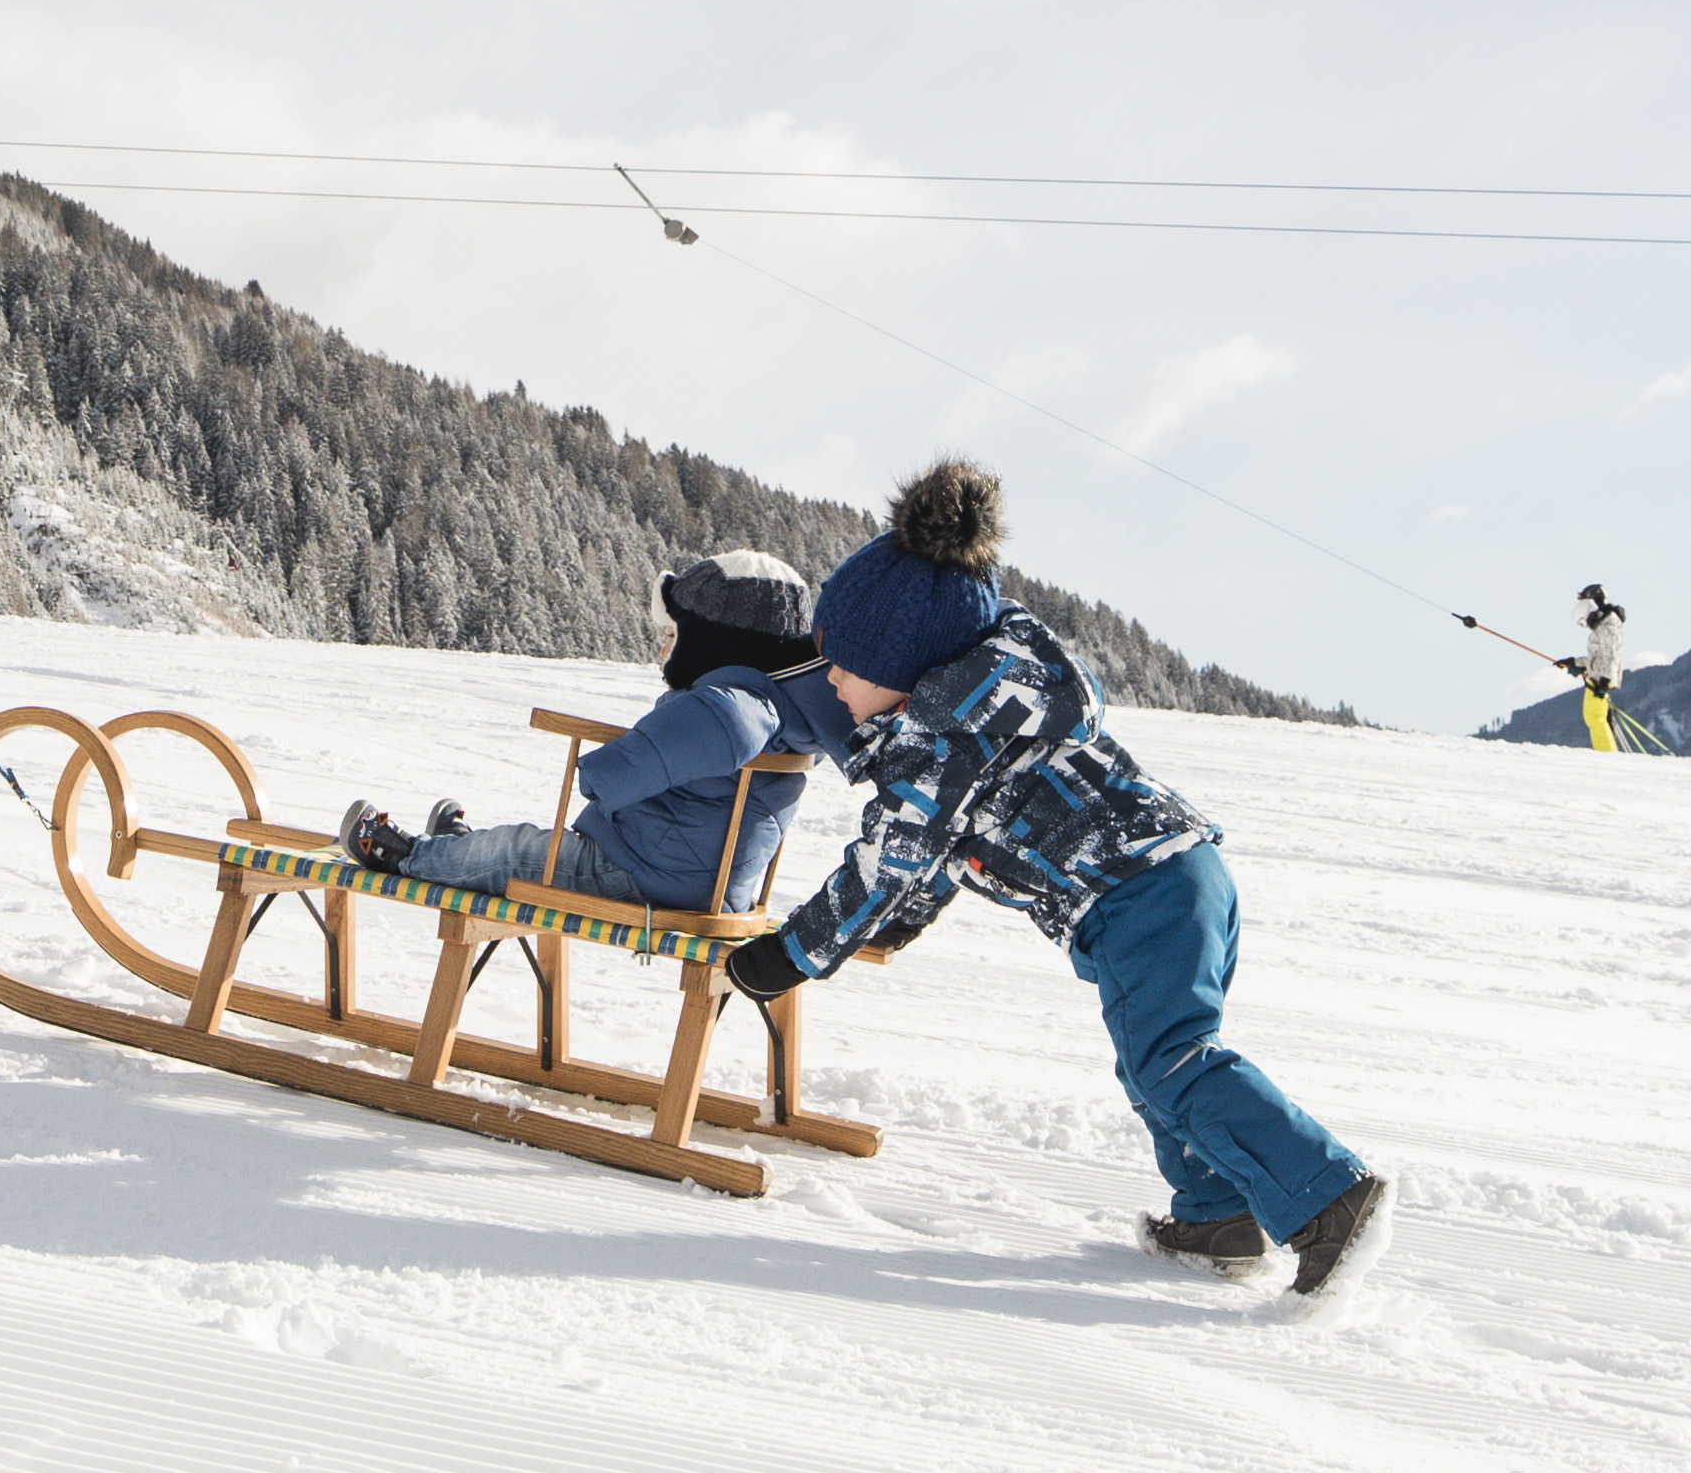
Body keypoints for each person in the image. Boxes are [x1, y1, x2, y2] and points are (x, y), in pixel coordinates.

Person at [713, 460, 1392, 1304]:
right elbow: (941, 848)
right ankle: (1219, 1210)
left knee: (1173, 1059)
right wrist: (903, 920)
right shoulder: (977, 708)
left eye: (846, 666)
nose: (836, 683)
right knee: (1154, 1059)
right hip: (1171, 881)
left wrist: (796, 952)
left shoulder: (942, 732)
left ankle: (1330, 1195)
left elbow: (895, 851)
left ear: (905, 663)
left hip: (1141, 894)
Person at [338, 550, 860, 911]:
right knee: (529, 850)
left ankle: (407, 856)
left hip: (647, 875)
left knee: (521, 852)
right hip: (679, 869)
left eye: (675, 635)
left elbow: (714, 729)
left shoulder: (737, 705)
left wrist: (607, 772)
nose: (663, 648)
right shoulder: (776, 703)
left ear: (717, 642)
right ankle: (460, 853)